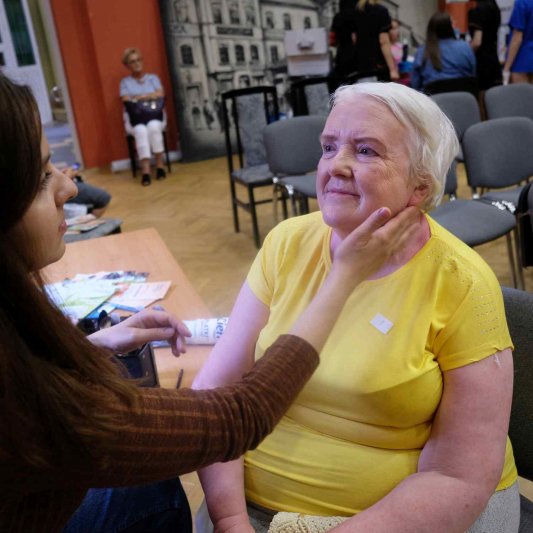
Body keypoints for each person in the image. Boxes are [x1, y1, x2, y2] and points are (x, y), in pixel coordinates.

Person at [0, 73, 418, 532]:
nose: (70, 189)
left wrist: (92, 344)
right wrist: (343, 279)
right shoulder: (43, 410)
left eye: (365, 150)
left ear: (421, 187)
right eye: (42, 178)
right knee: (153, 484)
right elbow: (239, 415)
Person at [194, 82, 519, 533]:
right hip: (246, 506)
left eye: (365, 151)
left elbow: (458, 475)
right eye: (329, 147)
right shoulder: (286, 244)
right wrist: (229, 520)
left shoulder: (461, 282)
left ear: (419, 186)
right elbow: (217, 390)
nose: (336, 166)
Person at [120, 47, 166, 187]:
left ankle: (159, 166)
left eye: (139, 60)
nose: (137, 63)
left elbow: (160, 94)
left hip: (155, 115)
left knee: (153, 127)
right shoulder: (125, 82)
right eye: (132, 61)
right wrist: (148, 96)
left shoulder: (153, 78)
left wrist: (138, 97)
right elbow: (125, 98)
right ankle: (145, 171)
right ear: (128, 65)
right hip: (135, 118)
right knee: (140, 130)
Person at [411, 11, 476, 91]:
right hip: (464, 98)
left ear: (431, 29)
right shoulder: (465, 47)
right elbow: (473, 75)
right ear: (450, 28)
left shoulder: (422, 52)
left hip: (432, 100)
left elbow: (415, 85)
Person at [352, 0, 399, 81]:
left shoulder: (356, 10)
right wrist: (392, 69)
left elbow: (354, 38)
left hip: (361, 68)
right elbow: (383, 41)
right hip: (378, 67)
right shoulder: (381, 11)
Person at [468, 0, 503, 90]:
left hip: (482, 62)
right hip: (494, 58)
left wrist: (466, 56)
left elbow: (477, 42)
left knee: (483, 99)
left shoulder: (478, 10)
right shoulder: (495, 7)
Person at [503, 0, 533, 84]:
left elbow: (517, 39)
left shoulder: (522, 3)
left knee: (520, 95)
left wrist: (506, 68)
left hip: (522, 59)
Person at [330, 0, 358, 79]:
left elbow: (332, 40)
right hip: (357, 56)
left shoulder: (337, 17)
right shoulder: (359, 15)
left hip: (341, 55)